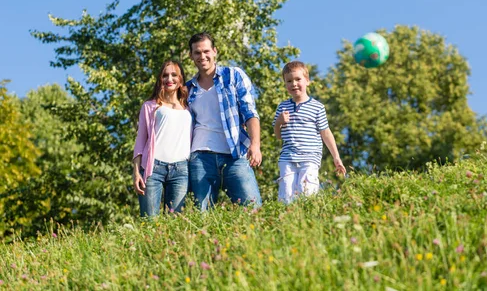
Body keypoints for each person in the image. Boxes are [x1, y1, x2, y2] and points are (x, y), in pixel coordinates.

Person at [186, 32, 262, 210]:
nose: (202, 56)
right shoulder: (188, 88)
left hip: (234, 153)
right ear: (191, 56)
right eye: (197, 52)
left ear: (214, 51)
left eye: (206, 51)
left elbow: (250, 112)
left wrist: (255, 144)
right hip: (200, 155)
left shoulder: (233, 76)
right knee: (202, 213)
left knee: (252, 209)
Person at [273, 61, 346, 204]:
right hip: (287, 158)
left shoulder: (317, 107)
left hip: (310, 157)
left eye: (298, 79)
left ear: (307, 81)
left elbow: (326, 133)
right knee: (286, 192)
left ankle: (307, 220)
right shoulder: (282, 107)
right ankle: (286, 219)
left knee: (306, 191)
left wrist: (336, 157)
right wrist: (279, 122)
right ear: (285, 84)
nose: (293, 84)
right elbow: (277, 135)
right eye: (289, 81)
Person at [132, 60, 192, 217]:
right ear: (160, 80)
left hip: (181, 170)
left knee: (175, 222)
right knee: (149, 221)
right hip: (153, 169)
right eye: (165, 75)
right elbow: (140, 141)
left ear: (180, 80)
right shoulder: (150, 106)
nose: (169, 79)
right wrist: (136, 173)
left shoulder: (189, 108)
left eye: (174, 75)